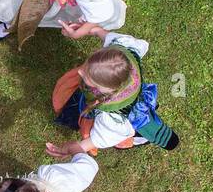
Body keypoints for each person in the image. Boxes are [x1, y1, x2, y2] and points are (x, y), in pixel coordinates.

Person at [48, 30, 181, 154]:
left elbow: (92, 142)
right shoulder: (124, 56)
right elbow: (103, 33)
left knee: (127, 135)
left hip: (125, 126)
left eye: (87, 76)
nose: (80, 71)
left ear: (104, 90)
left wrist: (68, 149)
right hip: (130, 105)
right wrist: (91, 29)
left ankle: (140, 138)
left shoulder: (113, 122)